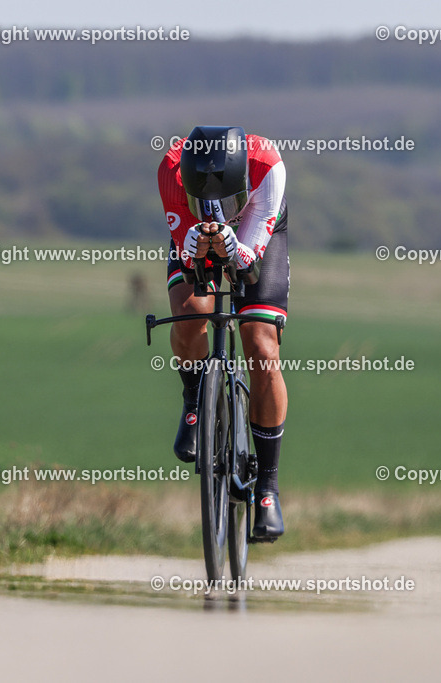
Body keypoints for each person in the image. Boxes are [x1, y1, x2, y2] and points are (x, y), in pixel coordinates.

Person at [157, 125, 289, 540]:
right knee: (190, 312)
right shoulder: (172, 168)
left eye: (228, 199)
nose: (221, 209)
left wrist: (237, 249)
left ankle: (267, 487)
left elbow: (247, 266)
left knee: (261, 346)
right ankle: (195, 395)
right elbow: (190, 262)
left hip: (258, 231)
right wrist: (193, 246)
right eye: (207, 200)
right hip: (195, 232)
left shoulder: (266, 165)